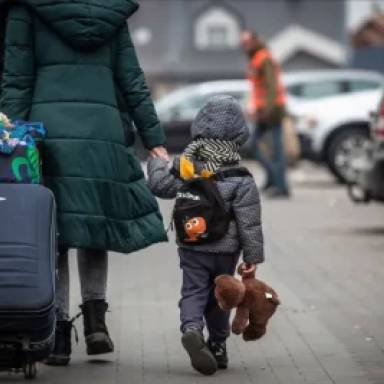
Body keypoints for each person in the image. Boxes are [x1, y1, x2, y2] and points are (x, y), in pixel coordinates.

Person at [0, 0, 169, 365]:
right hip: (101, 134)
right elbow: (131, 79)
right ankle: (96, 324)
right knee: (94, 225)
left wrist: (9, 139)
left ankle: (58, 333)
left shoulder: (27, 9)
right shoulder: (110, 11)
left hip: (48, 136)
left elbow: (16, 79)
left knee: (52, 233)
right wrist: (153, 138)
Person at [147, 95, 264, 375]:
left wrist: (157, 161)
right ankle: (219, 346)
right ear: (239, 133)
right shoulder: (241, 176)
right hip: (226, 251)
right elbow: (249, 221)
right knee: (221, 296)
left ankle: (191, 329)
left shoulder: (187, 166)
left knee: (193, 291)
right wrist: (252, 257)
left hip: (192, 246)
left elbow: (159, 186)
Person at [240, 30, 290, 198]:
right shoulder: (256, 59)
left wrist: (267, 110)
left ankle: (281, 186)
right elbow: (257, 88)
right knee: (254, 146)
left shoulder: (264, 58)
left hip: (272, 109)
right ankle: (273, 179)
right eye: (243, 42)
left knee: (276, 150)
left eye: (247, 41)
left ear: (255, 40)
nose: (245, 45)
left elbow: (272, 87)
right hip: (263, 109)